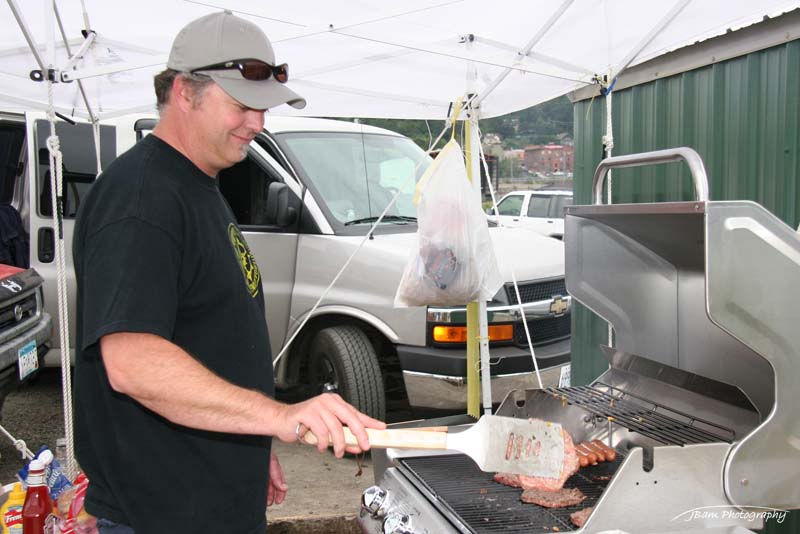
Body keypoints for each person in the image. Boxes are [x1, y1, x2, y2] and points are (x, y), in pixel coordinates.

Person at [72, 11, 385, 534]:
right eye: (242, 105)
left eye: (263, 108)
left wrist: (250, 443)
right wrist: (280, 417)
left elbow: (212, 334)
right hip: (163, 513)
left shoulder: (199, 184)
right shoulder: (142, 199)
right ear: (184, 92)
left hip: (210, 495)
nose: (257, 124)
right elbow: (133, 361)